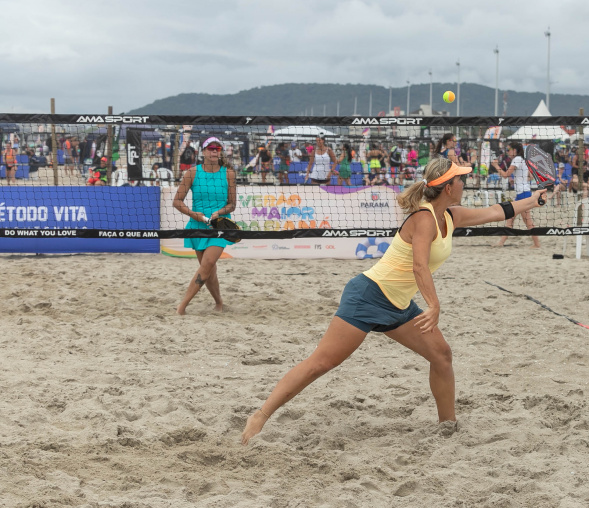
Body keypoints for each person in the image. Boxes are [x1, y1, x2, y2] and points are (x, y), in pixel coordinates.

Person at [240, 158, 547, 444]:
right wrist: (434, 304)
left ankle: (447, 427)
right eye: (460, 180)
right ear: (447, 187)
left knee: (441, 356)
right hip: (369, 295)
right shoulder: (424, 218)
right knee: (322, 363)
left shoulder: (451, 215)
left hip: (397, 304)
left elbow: (498, 211)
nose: (464, 184)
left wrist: (536, 198)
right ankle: (260, 416)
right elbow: (419, 266)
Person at [172, 137, 237, 315]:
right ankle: (219, 302)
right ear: (203, 151)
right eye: (210, 148)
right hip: (197, 224)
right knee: (208, 270)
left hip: (220, 225)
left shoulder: (228, 173)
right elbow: (177, 201)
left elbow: (232, 204)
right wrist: (195, 215)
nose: (214, 151)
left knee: (207, 263)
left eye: (217, 148)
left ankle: (182, 306)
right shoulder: (192, 173)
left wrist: (219, 212)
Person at [492, 142, 541, 248]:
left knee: (527, 221)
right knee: (510, 217)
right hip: (522, 193)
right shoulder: (523, 160)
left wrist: (495, 165)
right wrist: (519, 181)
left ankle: (537, 244)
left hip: (523, 194)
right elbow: (531, 176)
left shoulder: (517, 159)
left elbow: (505, 175)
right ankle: (501, 242)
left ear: (515, 150)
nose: (508, 151)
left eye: (509, 149)